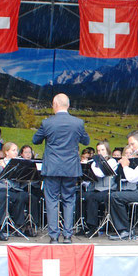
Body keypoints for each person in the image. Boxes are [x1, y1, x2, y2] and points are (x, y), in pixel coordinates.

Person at [32, 93, 90, 244]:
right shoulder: (78, 123)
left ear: (55, 105)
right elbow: (86, 140)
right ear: (68, 105)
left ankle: (53, 236)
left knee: (51, 200)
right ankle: (68, 235)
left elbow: (35, 140)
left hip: (52, 168)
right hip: (70, 168)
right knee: (69, 200)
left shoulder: (47, 123)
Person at [82, 141, 118, 236]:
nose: (100, 152)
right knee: (81, 196)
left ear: (107, 150)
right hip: (97, 189)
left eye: (102, 150)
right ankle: (84, 225)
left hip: (109, 189)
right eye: (98, 150)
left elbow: (101, 174)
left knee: (92, 197)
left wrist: (91, 165)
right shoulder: (95, 162)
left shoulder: (112, 161)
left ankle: (93, 227)